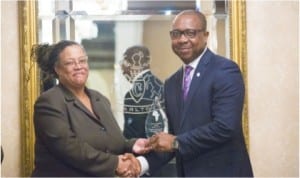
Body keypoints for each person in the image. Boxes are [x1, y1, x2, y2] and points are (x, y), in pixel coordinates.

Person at [143, 10, 253, 177]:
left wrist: (175, 142)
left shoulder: (225, 70)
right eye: (176, 34)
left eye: (190, 33)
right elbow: (175, 138)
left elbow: (224, 127)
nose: (182, 39)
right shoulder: (171, 83)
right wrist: (139, 163)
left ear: (205, 35)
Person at [30, 40, 149, 177]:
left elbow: (111, 140)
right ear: (57, 69)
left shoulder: (100, 99)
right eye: (70, 63)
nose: (78, 66)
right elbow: (70, 148)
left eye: (82, 61)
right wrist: (115, 163)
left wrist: (132, 145)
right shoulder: (49, 102)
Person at [120, 45, 176, 176]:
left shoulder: (133, 96)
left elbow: (131, 135)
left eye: (124, 63)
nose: (122, 68)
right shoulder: (161, 86)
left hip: (143, 167)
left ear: (133, 64)